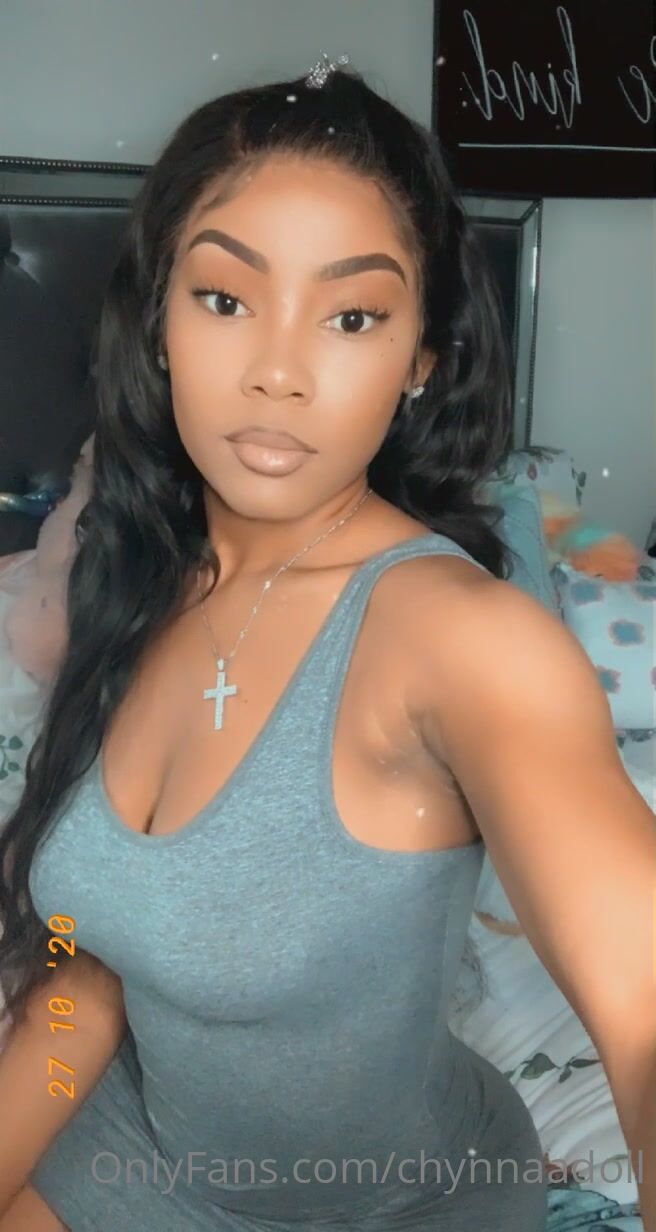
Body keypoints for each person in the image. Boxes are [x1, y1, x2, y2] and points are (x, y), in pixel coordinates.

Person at [0, 56, 653, 1232]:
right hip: (132, 1149)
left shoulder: (462, 637)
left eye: (351, 316)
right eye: (223, 298)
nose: (276, 372)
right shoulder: (135, 575)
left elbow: (644, 1003)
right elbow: (85, 968)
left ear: (419, 360)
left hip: (381, 1206)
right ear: (158, 324)